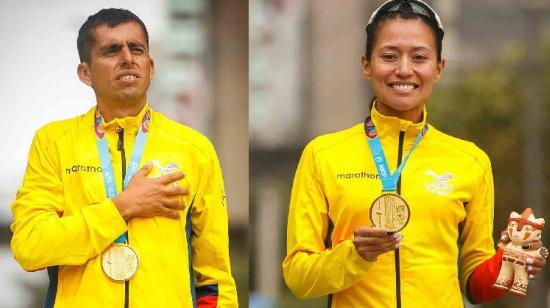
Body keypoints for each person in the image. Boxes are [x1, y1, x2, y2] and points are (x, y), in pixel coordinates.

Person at [282, 1, 546, 307]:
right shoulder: (322, 155)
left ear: (438, 68)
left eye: (419, 57)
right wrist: (354, 255)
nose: (404, 69)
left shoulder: (470, 161)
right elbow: (298, 278)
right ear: (366, 64)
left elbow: (475, 285)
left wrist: (513, 267)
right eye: (389, 56)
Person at [10, 8, 237, 308]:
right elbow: (31, 246)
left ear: (151, 66)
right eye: (111, 50)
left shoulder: (194, 148)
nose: (127, 58)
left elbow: (214, 278)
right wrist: (122, 207)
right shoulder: (54, 142)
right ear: (86, 73)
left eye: (137, 49)